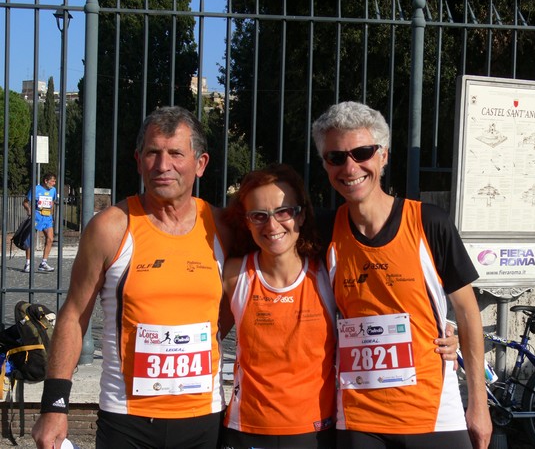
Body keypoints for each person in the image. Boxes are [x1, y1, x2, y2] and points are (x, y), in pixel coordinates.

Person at [32, 106, 231, 449]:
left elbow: (236, 305)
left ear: (200, 163)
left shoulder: (225, 227)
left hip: (204, 417)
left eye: (176, 153)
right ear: (139, 161)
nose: (163, 165)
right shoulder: (111, 227)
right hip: (127, 420)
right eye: (153, 152)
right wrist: (54, 405)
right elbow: (74, 315)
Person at [312, 101, 493, 449]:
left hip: (434, 414)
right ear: (325, 165)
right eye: (336, 157)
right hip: (359, 418)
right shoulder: (323, 231)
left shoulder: (429, 222)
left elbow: (469, 316)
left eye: (362, 152)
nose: (350, 167)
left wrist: (479, 406)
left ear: (384, 155)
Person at [220, 163, 337, 449]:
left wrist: (443, 330)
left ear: (301, 214)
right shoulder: (235, 274)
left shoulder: (328, 273)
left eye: (283, 212)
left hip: (315, 431)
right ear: (246, 222)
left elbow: (377, 317)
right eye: (259, 216)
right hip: (246, 428)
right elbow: (206, 336)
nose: (272, 226)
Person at [22, 172, 57, 273]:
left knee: (50, 238)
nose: (54, 183)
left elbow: (53, 202)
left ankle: (43, 263)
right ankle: (27, 263)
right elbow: (25, 202)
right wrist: (29, 210)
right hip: (36, 217)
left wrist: (52, 214)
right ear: (46, 181)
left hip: (47, 218)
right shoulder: (36, 189)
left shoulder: (53, 190)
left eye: (54, 181)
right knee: (30, 240)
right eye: (52, 181)